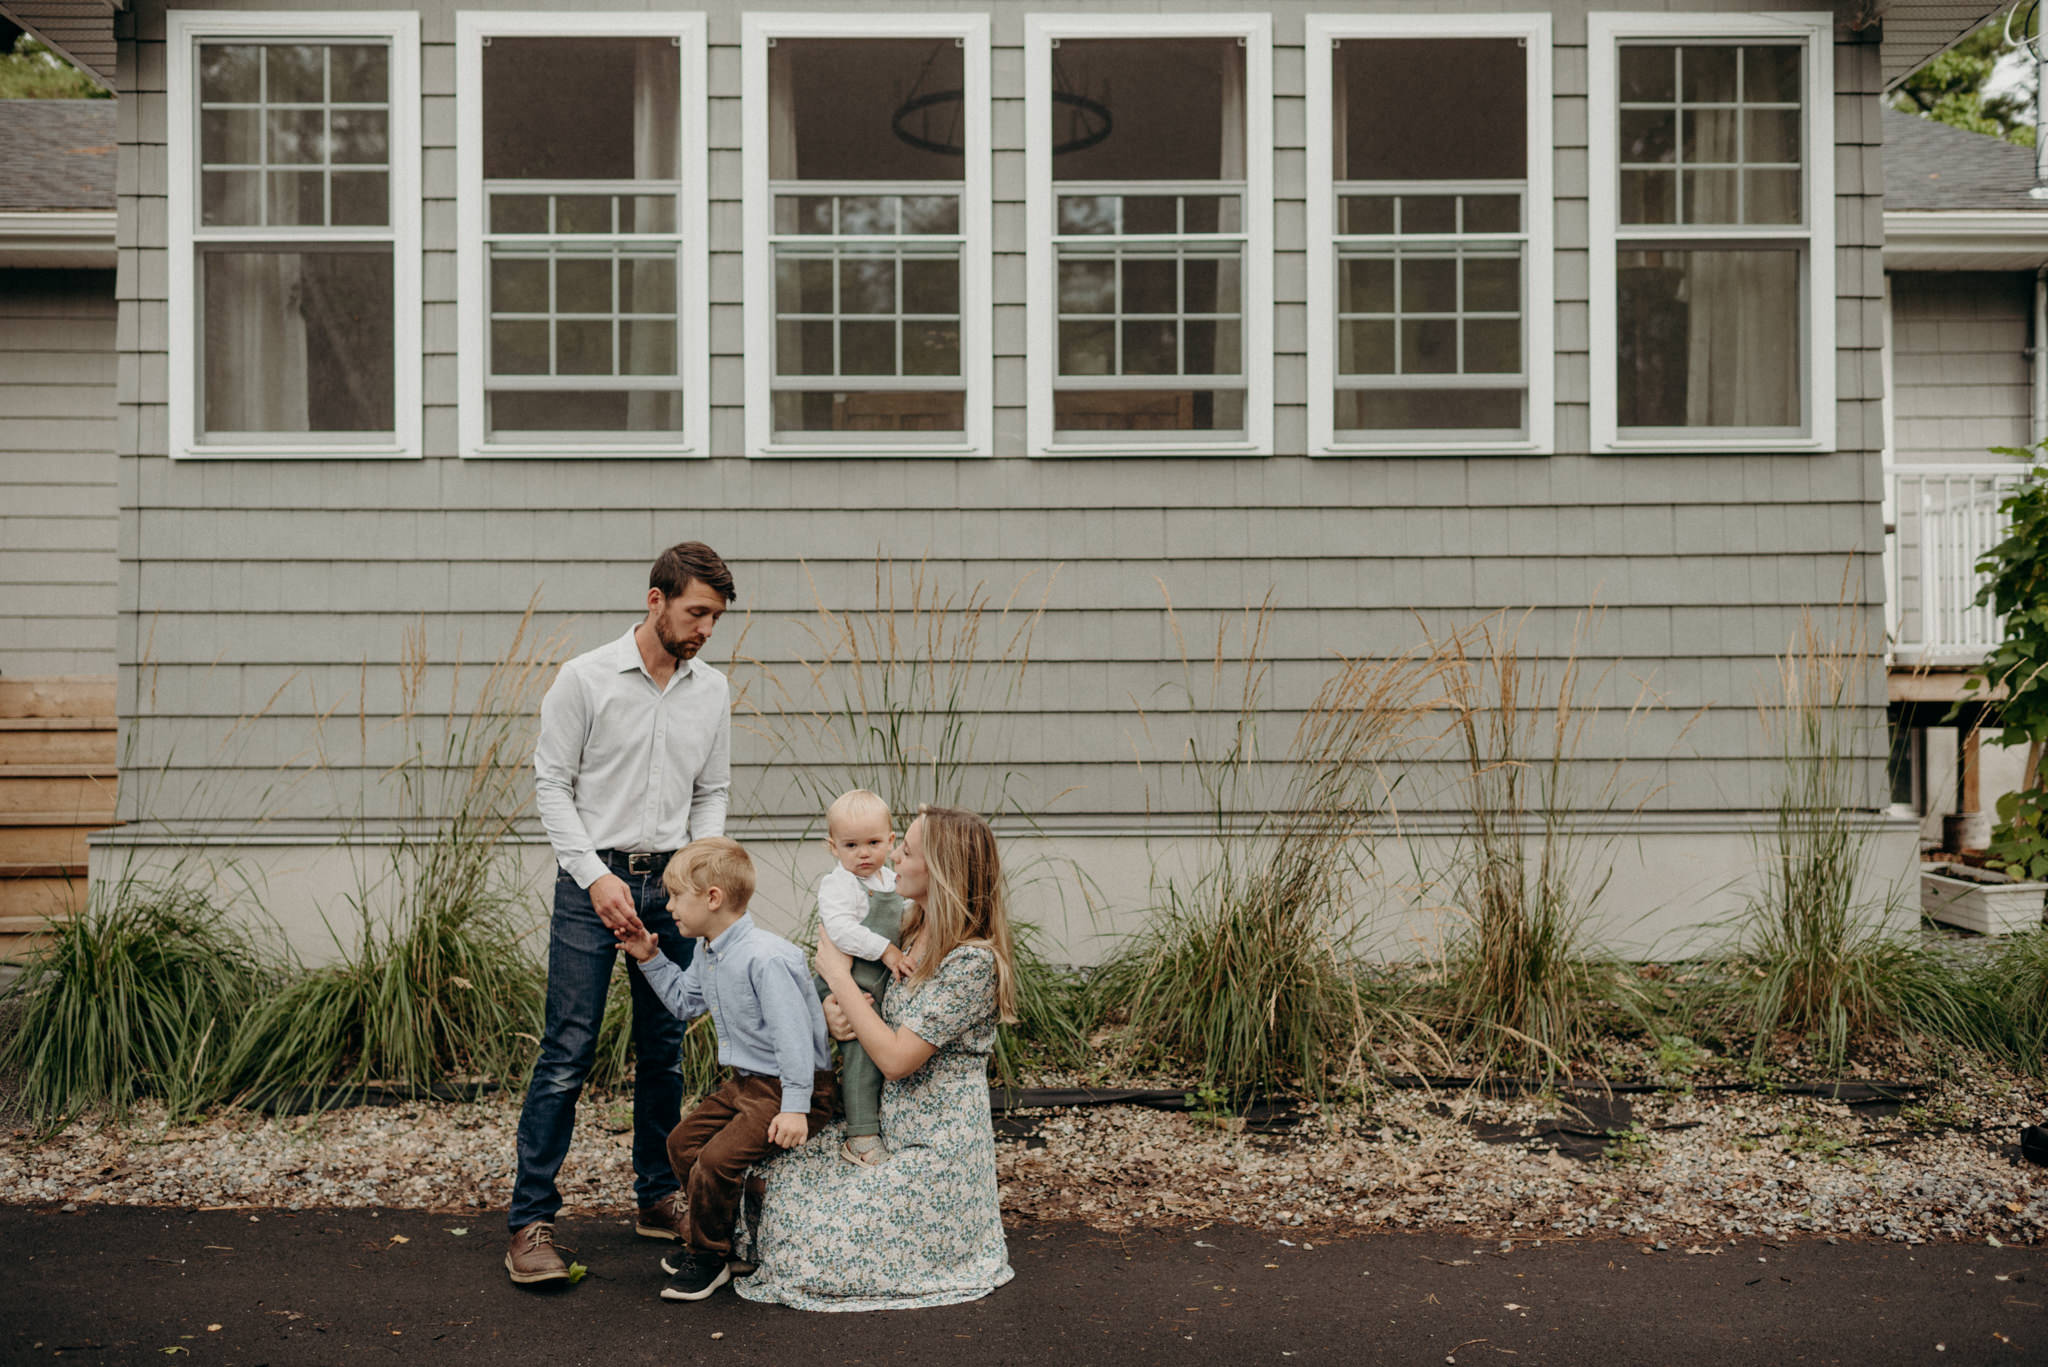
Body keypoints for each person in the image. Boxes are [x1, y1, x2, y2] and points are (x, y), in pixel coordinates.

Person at [506, 541, 736, 1287]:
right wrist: (594, 876)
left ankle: (656, 1194)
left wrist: (698, 873)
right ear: (656, 599)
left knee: (663, 1051)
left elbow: (712, 790)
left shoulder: (712, 689)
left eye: (715, 617)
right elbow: (551, 785)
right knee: (567, 1050)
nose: (705, 628)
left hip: (671, 890)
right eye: (696, 611)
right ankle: (529, 1222)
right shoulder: (585, 677)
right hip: (589, 884)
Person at [735, 805, 1018, 1312]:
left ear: (941, 870)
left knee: (812, 1238)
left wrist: (837, 977)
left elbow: (895, 1058)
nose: (892, 859)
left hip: (934, 1151)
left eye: (905, 850)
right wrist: (833, 1006)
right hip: (883, 1131)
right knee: (778, 1178)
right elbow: (862, 1003)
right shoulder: (908, 928)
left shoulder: (972, 961)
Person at [616, 837, 838, 1302]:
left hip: (791, 1089)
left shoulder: (765, 958)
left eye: (676, 895)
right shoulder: (709, 951)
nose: (668, 905)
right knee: (681, 1144)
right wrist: (650, 958)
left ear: (712, 898)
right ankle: (721, 1236)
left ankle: (711, 1257)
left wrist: (796, 1108)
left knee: (715, 1162)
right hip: (747, 1085)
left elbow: (794, 1039)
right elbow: (682, 1003)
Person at [812, 789, 913, 1166]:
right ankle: (861, 1136)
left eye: (873, 843)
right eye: (851, 845)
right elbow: (840, 930)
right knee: (861, 1056)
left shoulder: (890, 880)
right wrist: (887, 950)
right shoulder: (839, 884)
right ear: (833, 847)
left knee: (882, 1051)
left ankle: (878, 1120)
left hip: (877, 983)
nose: (863, 853)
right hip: (850, 983)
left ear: (890, 841)